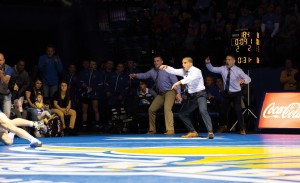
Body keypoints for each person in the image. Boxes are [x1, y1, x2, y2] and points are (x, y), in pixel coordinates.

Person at [160, 57, 214, 139]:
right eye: (182, 63)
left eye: (185, 63)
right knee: (182, 114)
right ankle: (193, 132)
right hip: (191, 97)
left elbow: (190, 79)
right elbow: (174, 71)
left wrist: (179, 82)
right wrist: (166, 67)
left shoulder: (197, 71)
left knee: (203, 110)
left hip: (200, 95)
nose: (183, 64)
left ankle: (210, 132)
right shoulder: (184, 71)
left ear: (190, 64)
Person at [129, 55, 182, 135]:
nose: (156, 62)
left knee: (167, 108)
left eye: (158, 61)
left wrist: (178, 93)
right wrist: (135, 75)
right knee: (151, 109)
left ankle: (170, 130)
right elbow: (144, 75)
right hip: (160, 94)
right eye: (154, 61)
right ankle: (152, 130)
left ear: (162, 61)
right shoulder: (152, 71)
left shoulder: (168, 70)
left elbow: (175, 82)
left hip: (170, 92)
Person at [205, 54, 251, 135]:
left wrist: (243, 80)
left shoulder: (238, 70)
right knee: (223, 110)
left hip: (236, 93)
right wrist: (208, 63)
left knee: (237, 110)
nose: (227, 61)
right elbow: (212, 69)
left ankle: (242, 129)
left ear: (234, 61)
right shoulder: (223, 69)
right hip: (226, 93)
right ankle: (223, 126)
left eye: (229, 60)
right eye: (226, 59)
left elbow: (248, 78)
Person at [0, 53, 13, 117]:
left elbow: (6, 81)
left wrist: (1, 75)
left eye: (0, 60)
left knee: (7, 115)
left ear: (4, 60)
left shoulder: (8, 68)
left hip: (6, 95)